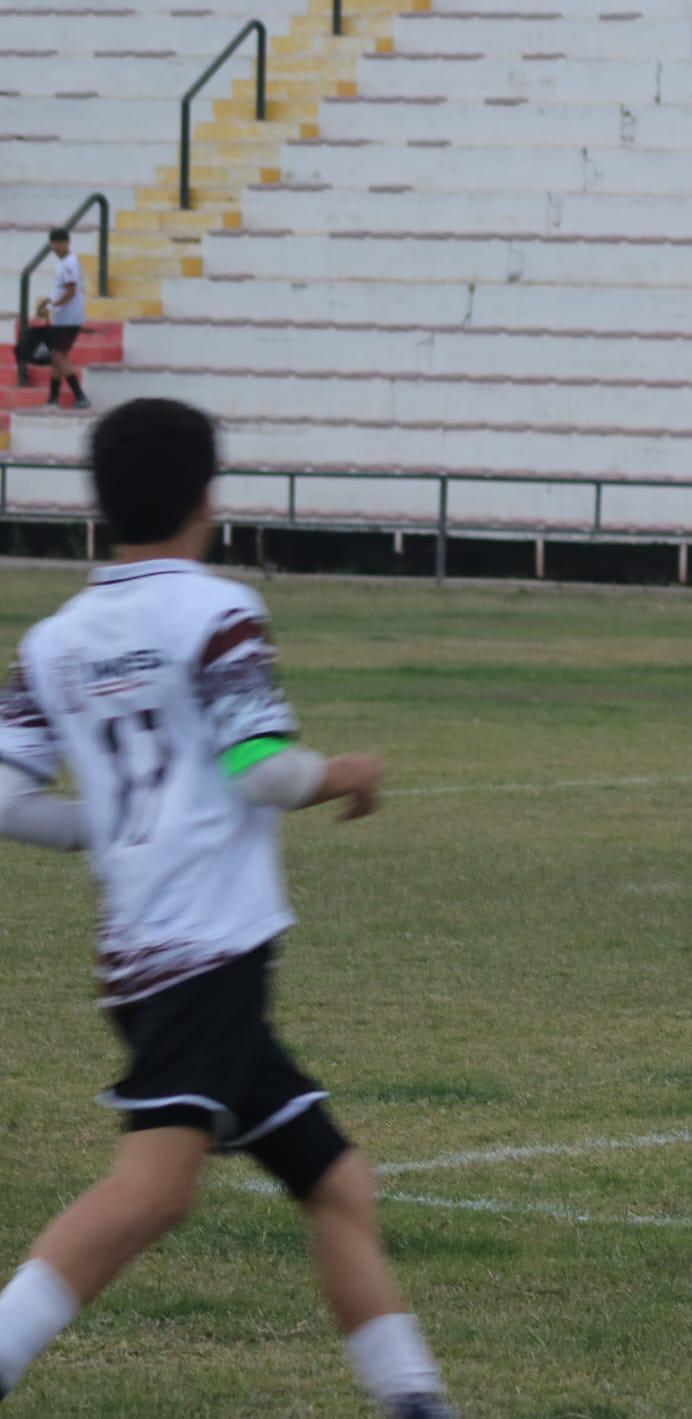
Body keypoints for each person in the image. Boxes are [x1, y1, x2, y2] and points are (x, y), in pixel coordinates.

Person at [0, 399, 454, 1417]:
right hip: (204, 952)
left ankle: (416, 1401)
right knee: (154, 1190)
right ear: (209, 496)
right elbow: (257, 769)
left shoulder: (56, 642)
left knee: (337, 1183)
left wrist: (104, 827)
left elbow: (1, 794)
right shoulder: (216, 612)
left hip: (147, 954)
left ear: (99, 505)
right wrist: (344, 770)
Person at [43, 227, 90, 411]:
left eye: (59, 243)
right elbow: (61, 291)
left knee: (59, 355)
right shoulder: (63, 263)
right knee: (55, 357)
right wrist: (50, 303)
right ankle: (53, 397)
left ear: (66, 243)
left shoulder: (70, 263)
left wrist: (52, 306)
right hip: (62, 318)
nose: (56, 247)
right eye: (53, 243)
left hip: (68, 318)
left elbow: (70, 291)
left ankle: (80, 396)